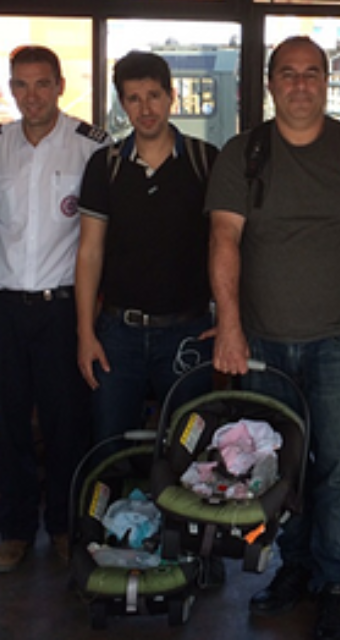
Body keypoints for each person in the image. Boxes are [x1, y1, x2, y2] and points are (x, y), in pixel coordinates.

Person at [207, 35, 340, 640]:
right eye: (288, 74)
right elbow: (223, 239)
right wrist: (230, 326)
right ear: (270, 83)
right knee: (278, 466)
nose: (300, 84)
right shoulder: (244, 153)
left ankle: (336, 583)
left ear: (327, 80)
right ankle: (293, 568)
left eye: (312, 73)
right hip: (263, 344)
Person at [0, 45, 108, 573]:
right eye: (21, 84)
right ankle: (14, 530)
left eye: (42, 84)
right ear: (11, 89)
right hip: (6, 310)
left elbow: (103, 238)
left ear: (60, 86)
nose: (31, 95)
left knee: (66, 424)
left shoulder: (91, 147)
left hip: (62, 311)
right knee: (8, 422)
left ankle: (63, 525)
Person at [75, 51, 218, 444]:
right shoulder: (105, 165)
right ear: (123, 104)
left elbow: (224, 246)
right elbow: (89, 252)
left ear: (171, 96)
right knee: (110, 446)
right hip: (118, 334)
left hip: (188, 331)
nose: (146, 109)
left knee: (189, 452)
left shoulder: (205, 161)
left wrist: (228, 318)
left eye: (154, 95)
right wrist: (85, 333)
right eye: (133, 99)